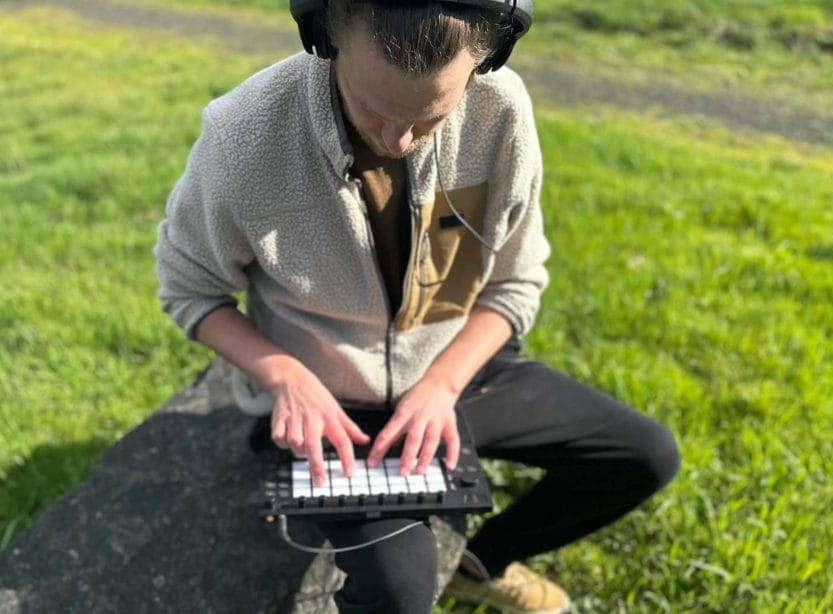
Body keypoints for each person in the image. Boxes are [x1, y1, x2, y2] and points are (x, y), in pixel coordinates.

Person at [155, 1, 680, 612]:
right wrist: (285, 378)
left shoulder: (501, 110)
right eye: (373, 110)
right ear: (324, 33)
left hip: (454, 369)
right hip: (336, 407)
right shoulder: (243, 136)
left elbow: (514, 282)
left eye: (432, 116)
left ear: (490, 58)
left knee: (645, 456)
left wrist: (442, 386)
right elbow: (190, 288)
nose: (397, 140)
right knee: (400, 592)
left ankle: (480, 564)